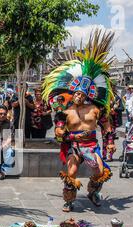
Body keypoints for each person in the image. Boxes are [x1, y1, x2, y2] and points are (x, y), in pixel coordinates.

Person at [43, 29, 116, 212]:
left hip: (91, 145)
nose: (78, 96)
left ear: (87, 95)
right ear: (72, 92)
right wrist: (63, 134)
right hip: (73, 146)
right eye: (76, 93)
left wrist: (110, 142)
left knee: (99, 172)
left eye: (81, 94)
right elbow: (59, 131)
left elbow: (107, 126)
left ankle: (92, 192)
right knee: (72, 173)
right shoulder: (65, 112)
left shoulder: (95, 109)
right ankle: (69, 200)